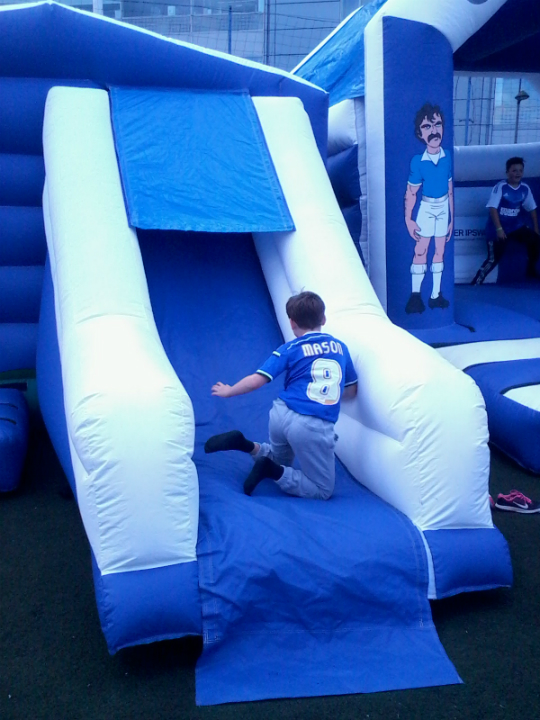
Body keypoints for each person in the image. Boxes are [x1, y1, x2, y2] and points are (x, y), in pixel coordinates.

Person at [204, 291, 358, 500]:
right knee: (322, 490)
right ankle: (271, 470)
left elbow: (256, 380)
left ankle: (245, 444)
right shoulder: (341, 348)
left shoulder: (290, 348)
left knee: (280, 458)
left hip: (281, 413)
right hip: (312, 425)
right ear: (323, 319)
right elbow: (351, 390)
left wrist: (230, 390)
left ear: (292, 323)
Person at [404, 103, 454, 314]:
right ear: (420, 133)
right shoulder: (418, 162)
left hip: (443, 207)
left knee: (440, 251)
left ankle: (435, 295)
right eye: (427, 127)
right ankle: (416, 296)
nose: (434, 131)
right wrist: (408, 218)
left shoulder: (447, 156)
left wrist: (452, 217)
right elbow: (411, 192)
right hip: (426, 208)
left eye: (437, 124)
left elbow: (450, 188)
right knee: (421, 249)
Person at [472, 156, 540, 284]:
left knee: (535, 240)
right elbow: (492, 208)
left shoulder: (525, 188)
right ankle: (476, 282)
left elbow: (532, 209)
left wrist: (536, 230)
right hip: (497, 228)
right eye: (514, 170)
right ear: (507, 172)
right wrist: (499, 229)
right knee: (493, 259)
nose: (517, 173)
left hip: (514, 227)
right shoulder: (501, 187)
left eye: (520, 170)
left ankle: (530, 270)